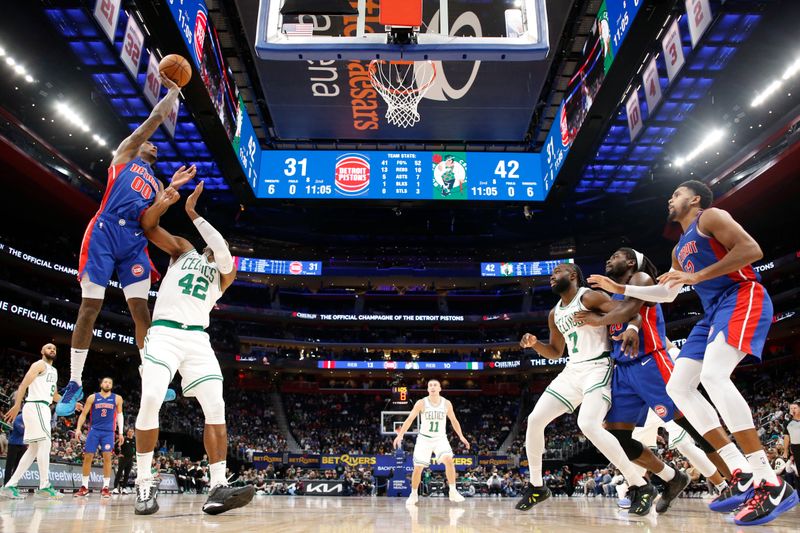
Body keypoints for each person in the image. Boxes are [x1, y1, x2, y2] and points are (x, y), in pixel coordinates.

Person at [587, 181, 798, 525]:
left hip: (742, 295)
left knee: (714, 375)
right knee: (679, 386)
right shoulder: (678, 248)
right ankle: (740, 471)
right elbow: (668, 294)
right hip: (713, 309)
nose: (670, 199)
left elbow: (751, 250)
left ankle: (769, 480)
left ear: (695, 199)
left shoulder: (710, 217)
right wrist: (620, 288)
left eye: (677, 194)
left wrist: (697, 274)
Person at [56, 73, 197, 417]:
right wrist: (173, 94)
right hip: (104, 232)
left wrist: (169, 194)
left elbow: (151, 220)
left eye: (157, 147)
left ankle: (151, 373)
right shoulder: (126, 154)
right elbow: (154, 121)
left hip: (134, 241)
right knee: (91, 306)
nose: (155, 145)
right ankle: (74, 380)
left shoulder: (157, 180)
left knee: (141, 312)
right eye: (152, 144)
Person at [575, 247, 733, 512]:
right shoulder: (614, 292)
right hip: (622, 370)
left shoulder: (641, 279)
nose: (608, 259)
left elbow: (628, 312)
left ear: (629, 261)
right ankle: (673, 477)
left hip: (651, 363)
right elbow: (625, 316)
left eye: (614, 256)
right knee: (618, 438)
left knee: (695, 427)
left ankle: (736, 481)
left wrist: (596, 319)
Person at [132, 182, 254, 515]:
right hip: (165, 334)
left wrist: (192, 212)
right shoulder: (184, 249)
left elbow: (222, 250)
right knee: (152, 398)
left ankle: (217, 487)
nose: (220, 246)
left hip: (197, 340)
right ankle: (143, 483)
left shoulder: (224, 275)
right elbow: (149, 226)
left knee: (216, 407)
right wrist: (167, 204)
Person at [514, 263, 657, 516]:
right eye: (551, 274)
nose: (552, 276)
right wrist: (536, 344)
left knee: (588, 424)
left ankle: (640, 484)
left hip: (597, 367)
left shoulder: (588, 296)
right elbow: (556, 352)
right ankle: (537, 486)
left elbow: (630, 313)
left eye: (557, 272)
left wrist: (624, 326)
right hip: (572, 371)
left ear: (572, 276)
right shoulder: (554, 313)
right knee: (535, 420)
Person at [393, 378, 470, 506]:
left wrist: (461, 436)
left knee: (449, 460)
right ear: (428, 389)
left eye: (435, 385)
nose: (433, 387)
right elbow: (410, 419)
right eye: (430, 385)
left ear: (440, 388)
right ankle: (413, 494)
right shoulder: (421, 403)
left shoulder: (446, 403)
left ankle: (453, 491)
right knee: (418, 468)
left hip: (440, 438)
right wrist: (400, 435)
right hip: (424, 439)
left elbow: (454, 421)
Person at [0, 344, 62, 499]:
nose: (52, 350)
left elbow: (54, 396)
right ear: (42, 351)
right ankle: (44, 485)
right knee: (45, 443)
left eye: (54, 348)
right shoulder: (39, 365)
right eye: (48, 348)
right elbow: (23, 384)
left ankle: (10, 485)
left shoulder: (54, 371)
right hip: (36, 405)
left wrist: (71, 403)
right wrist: (16, 405)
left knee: (33, 449)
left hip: (44, 407)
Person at [74, 377, 124, 498]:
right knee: (87, 457)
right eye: (105, 382)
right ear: (101, 384)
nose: (107, 384)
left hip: (109, 432)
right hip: (94, 431)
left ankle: (105, 487)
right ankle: (84, 487)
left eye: (110, 383)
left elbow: (120, 415)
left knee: (107, 457)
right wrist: (78, 429)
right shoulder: (92, 397)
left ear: (111, 386)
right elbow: (83, 414)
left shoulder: (117, 398)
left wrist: (121, 432)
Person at [3, 413, 25, 486]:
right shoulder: (18, 418)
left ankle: (13, 485)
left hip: (22, 445)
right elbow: (21, 431)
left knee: (18, 467)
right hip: (13, 444)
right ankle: (6, 484)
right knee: (9, 466)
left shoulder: (28, 420)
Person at [114, 428, 136, 494]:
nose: (131, 432)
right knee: (119, 473)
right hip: (123, 459)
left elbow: (135, 449)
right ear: (127, 432)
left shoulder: (134, 441)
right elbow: (116, 446)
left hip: (130, 460)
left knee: (127, 474)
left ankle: (124, 488)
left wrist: (134, 455)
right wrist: (118, 454)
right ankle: (115, 488)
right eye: (130, 431)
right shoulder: (123, 439)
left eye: (132, 431)